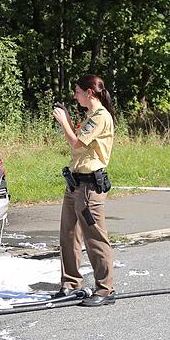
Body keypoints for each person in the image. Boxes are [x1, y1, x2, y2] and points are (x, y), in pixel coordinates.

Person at [52, 74, 117, 307]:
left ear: (90, 92)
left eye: (78, 91)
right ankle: (70, 283)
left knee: (95, 238)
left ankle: (105, 289)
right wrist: (69, 120)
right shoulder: (90, 116)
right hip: (75, 184)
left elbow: (76, 143)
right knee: (68, 235)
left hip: (90, 187)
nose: (75, 95)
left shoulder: (100, 117)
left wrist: (64, 121)